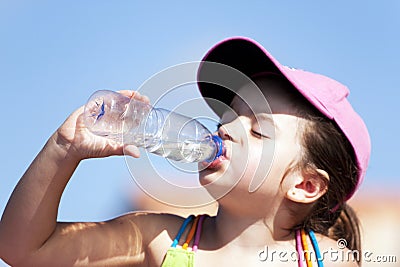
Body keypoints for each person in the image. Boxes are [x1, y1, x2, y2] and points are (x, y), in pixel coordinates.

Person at [0, 37, 370, 267]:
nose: (226, 127)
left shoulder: (328, 260)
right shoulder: (159, 240)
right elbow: (23, 250)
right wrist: (63, 149)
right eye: (230, 114)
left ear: (305, 185)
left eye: (257, 131)